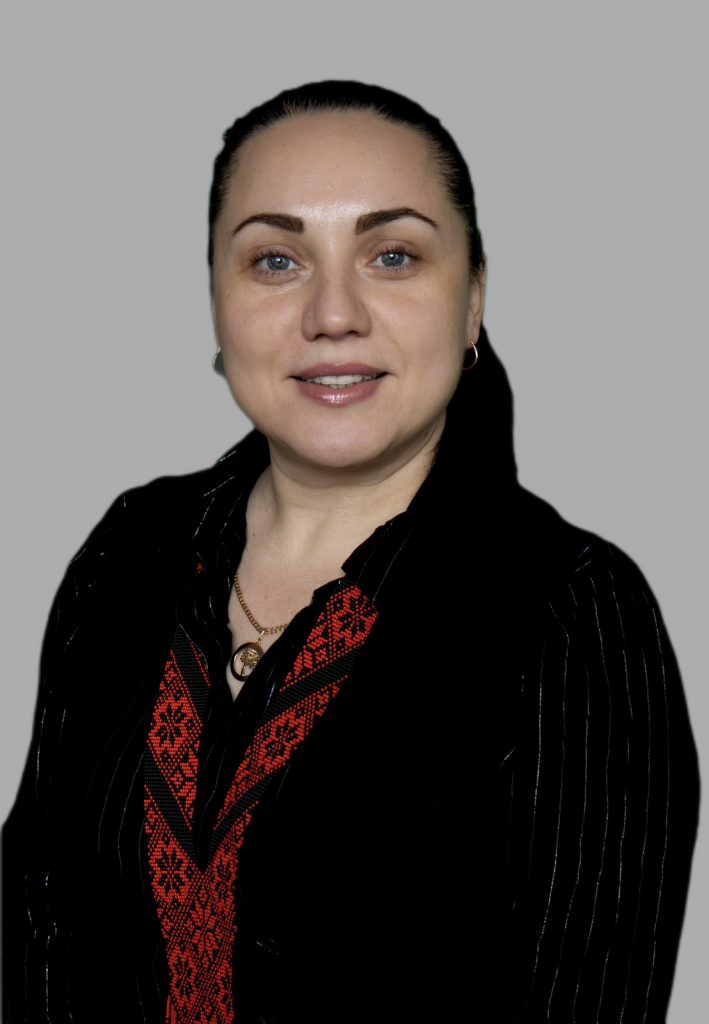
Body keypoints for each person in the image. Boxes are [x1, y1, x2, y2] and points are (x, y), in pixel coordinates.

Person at [1, 79, 700, 1024]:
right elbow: (34, 918)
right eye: (275, 260)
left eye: (393, 255)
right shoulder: (131, 549)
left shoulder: (572, 607)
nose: (333, 313)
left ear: (472, 301)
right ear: (217, 302)